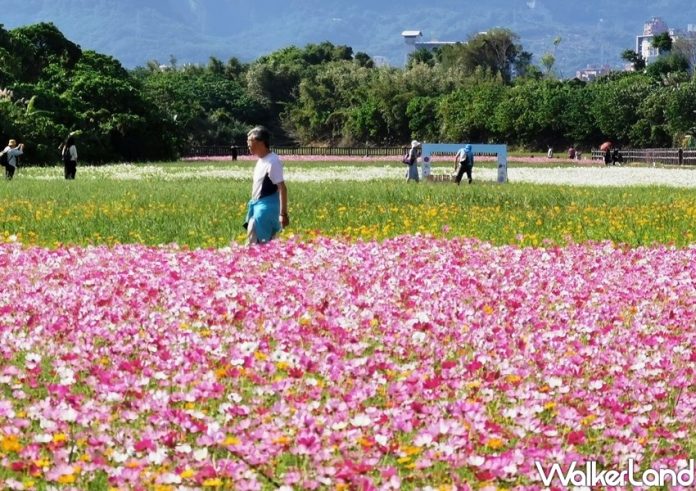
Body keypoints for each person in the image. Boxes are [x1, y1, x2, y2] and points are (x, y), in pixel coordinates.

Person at [243, 126, 289, 245]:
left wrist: (283, 214)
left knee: (255, 243)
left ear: (260, 142)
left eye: (250, 141)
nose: (248, 144)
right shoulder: (261, 160)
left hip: (266, 209)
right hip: (259, 206)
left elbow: (282, 188)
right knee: (262, 243)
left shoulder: (273, 161)